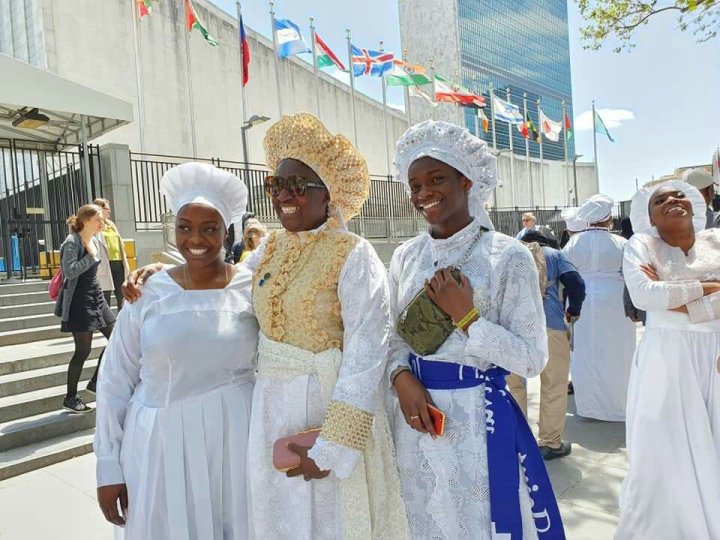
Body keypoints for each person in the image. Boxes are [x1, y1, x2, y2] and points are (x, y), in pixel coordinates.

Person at [388, 120, 564, 538]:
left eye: (436, 179)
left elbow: (532, 359)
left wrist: (467, 319)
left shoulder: (509, 256)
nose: (424, 193)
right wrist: (400, 377)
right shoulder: (405, 257)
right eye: (415, 185)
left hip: (477, 419)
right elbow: (391, 334)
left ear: (466, 181)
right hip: (416, 416)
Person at [94, 163, 258, 538]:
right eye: (184, 227)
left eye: (209, 228)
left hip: (235, 442)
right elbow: (115, 380)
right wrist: (108, 465)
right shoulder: (148, 291)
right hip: (159, 445)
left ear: (227, 231)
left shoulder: (253, 287)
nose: (195, 238)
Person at [617, 180, 720, 539]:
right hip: (666, 357)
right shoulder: (641, 245)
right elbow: (645, 297)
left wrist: (674, 295)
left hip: (716, 356)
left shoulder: (717, 240)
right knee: (664, 445)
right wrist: (712, 287)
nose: (672, 200)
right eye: (660, 200)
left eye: (679, 195)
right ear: (649, 217)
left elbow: (660, 296)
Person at [509, 228, 586, 460]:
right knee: (554, 384)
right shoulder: (555, 254)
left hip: (512, 329)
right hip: (549, 326)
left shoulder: (509, 255)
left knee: (515, 386)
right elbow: (576, 283)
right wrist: (573, 309)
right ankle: (550, 443)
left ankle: (516, 441)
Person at [562, 194, 636, 421]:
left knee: (585, 351)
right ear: (608, 218)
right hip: (614, 299)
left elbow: (565, 272)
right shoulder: (621, 243)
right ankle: (618, 406)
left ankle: (589, 407)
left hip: (581, 300)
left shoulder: (574, 242)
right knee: (617, 350)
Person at [54, 204, 115, 412]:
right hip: (79, 301)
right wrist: (90, 257)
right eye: (98, 219)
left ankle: (96, 382)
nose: (102, 223)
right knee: (82, 350)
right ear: (86, 220)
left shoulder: (95, 239)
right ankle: (71, 397)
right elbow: (69, 272)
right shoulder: (72, 242)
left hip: (96, 297)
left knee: (117, 339)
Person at [93, 198, 130, 310]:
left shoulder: (111, 224)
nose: (109, 211)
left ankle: (122, 318)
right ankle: (106, 320)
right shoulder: (95, 225)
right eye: (107, 209)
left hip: (118, 262)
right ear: (99, 209)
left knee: (121, 294)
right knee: (105, 294)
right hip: (105, 263)